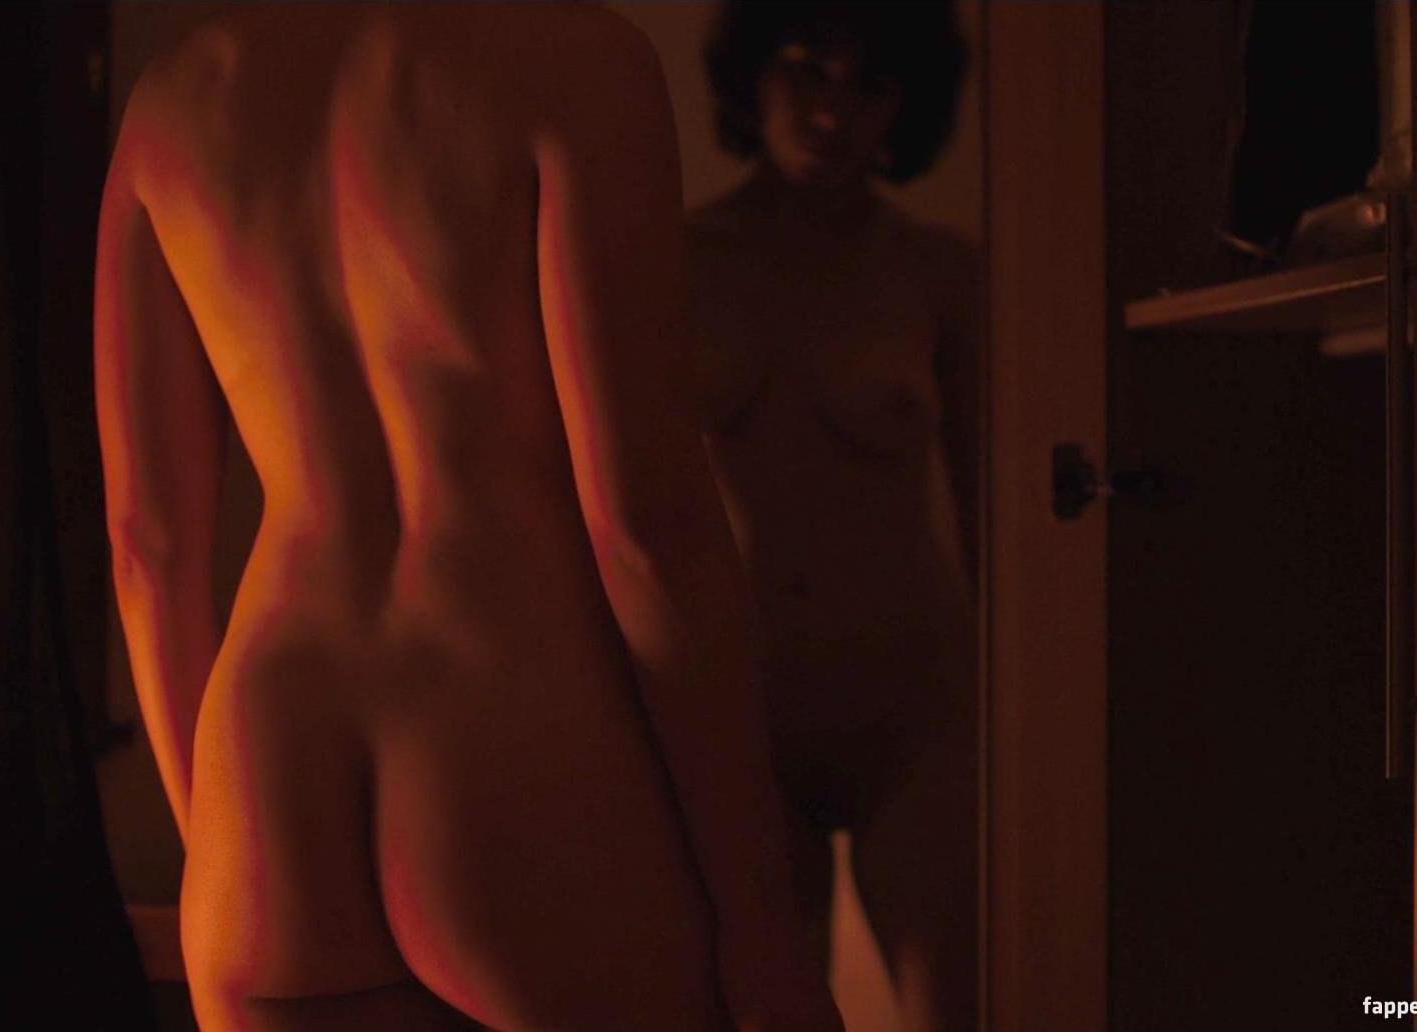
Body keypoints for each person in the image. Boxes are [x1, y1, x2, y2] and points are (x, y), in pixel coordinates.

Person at [93, 5, 841, 1031]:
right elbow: (645, 527)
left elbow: (147, 546)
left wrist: (225, 854)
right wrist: (761, 919)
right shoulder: (577, 62)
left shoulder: (172, 102)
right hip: (514, 750)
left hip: (270, 765)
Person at [687, 3, 978, 1028]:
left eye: (870, 83)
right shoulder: (678, 261)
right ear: (753, 75)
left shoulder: (938, 272)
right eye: (806, 69)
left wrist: (1024, 701)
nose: (831, 110)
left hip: (916, 710)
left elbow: (1004, 513)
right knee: (769, 1009)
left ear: (907, 101)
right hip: (743, 708)